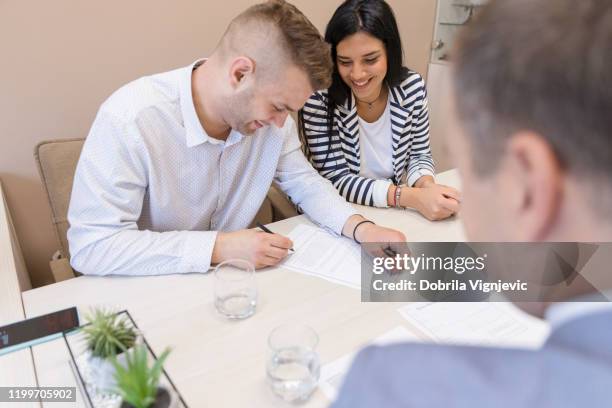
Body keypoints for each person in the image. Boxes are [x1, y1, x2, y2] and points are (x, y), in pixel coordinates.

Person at [332, 0, 612, 406]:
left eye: (464, 166)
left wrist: (422, 185)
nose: (358, 73)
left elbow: (418, 157)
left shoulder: (391, 386)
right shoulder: (324, 102)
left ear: (526, 188)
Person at [67, 0, 406, 276]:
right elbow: (91, 246)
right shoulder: (131, 118)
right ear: (240, 73)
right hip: (150, 291)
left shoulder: (274, 124)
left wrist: (362, 229)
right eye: (277, 107)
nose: (280, 122)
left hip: (232, 286)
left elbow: (306, 183)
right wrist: (218, 247)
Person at [298, 0, 459, 221]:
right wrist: (409, 197)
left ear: (389, 52)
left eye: (370, 59)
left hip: (389, 210)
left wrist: (427, 187)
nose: (357, 74)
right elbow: (335, 179)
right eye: (345, 62)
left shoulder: (411, 87)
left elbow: (419, 154)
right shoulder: (318, 99)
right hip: (335, 215)